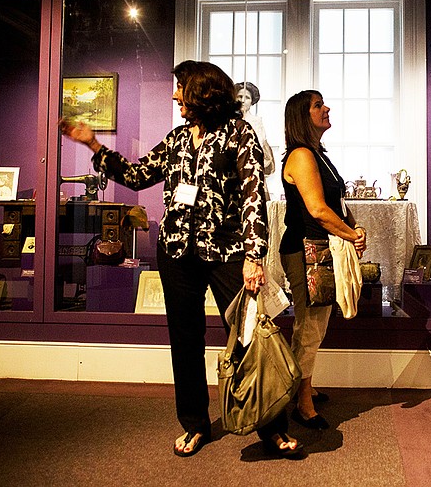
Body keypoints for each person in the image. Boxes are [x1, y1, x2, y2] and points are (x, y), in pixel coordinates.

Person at [60, 60, 303, 459]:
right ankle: (195, 424)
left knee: (248, 337)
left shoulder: (240, 135)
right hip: (176, 252)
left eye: (181, 88)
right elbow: (138, 175)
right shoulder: (175, 139)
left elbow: (253, 197)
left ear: (202, 92)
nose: (175, 95)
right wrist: (93, 146)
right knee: (184, 341)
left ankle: (271, 426)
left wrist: (255, 255)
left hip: (227, 253)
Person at [279, 90, 367, 429]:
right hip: (305, 249)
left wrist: (355, 229)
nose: (326, 107)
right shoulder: (302, 155)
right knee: (309, 326)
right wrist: (351, 234)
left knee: (316, 324)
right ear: (303, 116)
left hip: (319, 248)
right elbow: (316, 210)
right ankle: (301, 402)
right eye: (318, 105)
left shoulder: (319, 154)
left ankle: (305, 386)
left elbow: (337, 205)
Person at [236, 81, 275, 177]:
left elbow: (261, 146)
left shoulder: (256, 122)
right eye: (240, 96)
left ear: (252, 101)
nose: (243, 100)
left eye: (247, 98)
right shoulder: (229, 120)